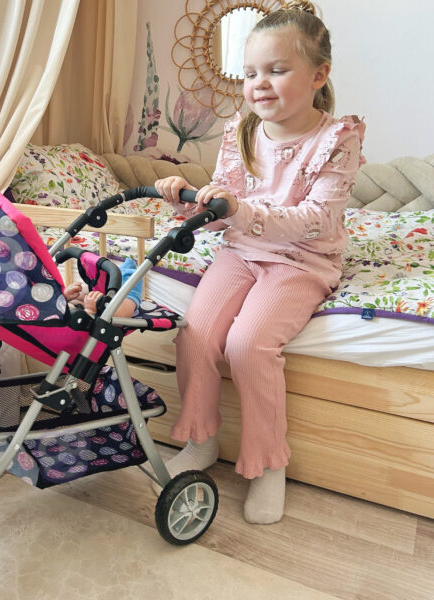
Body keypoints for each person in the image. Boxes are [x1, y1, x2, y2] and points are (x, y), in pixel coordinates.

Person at [154, 0, 365, 524]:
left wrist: (240, 210)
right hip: (241, 250)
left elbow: (317, 218)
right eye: (250, 74)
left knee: (248, 344)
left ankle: (269, 464)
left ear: (318, 75)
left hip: (302, 260)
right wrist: (188, 202)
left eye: (276, 70)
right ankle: (201, 439)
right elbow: (222, 209)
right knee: (196, 333)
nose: (259, 84)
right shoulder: (241, 130)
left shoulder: (336, 139)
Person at [63, 257, 142, 318]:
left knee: (78, 292)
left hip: (72, 305)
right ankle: (128, 275)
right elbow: (84, 324)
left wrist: (64, 296)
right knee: (122, 313)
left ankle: (120, 276)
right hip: (90, 312)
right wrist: (90, 310)